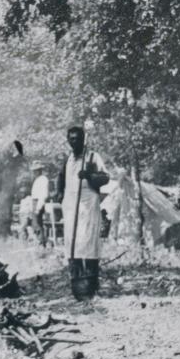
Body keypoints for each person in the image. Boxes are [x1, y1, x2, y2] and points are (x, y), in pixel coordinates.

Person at [55, 126, 110, 300]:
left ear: (83, 139)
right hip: (71, 206)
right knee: (72, 243)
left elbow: (105, 177)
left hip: (87, 204)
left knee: (87, 243)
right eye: (71, 138)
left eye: (77, 138)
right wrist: (59, 192)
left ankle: (91, 285)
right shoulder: (68, 160)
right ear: (68, 140)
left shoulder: (92, 157)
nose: (74, 141)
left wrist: (89, 175)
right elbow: (61, 178)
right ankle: (77, 284)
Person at [27, 160, 50, 246]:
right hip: (34, 203)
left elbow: (43, 195)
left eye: (36, 170)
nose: (34, 172)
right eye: (34, 171)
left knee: (38, 225)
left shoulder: (43, 179)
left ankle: (42, 244)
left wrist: (38, 207)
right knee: (35, 224)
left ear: (40, 170)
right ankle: (40, 243)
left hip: (38, 203)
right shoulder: (37, 180)